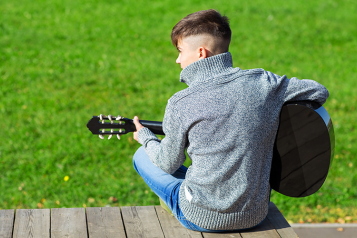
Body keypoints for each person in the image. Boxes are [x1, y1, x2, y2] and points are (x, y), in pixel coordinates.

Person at [131, 9, 329, 232]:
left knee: (142, 156)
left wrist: (146, 138)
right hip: (255, 215)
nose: (177, 60)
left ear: (201, 53)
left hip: (200, 217)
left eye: (179, 51)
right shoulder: (264, 83)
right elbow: (318, 91)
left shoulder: (181, 102)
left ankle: (175, 202)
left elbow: (168, 164)